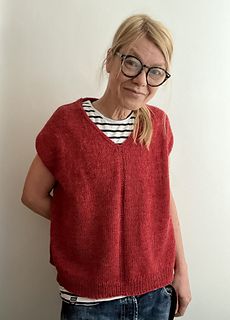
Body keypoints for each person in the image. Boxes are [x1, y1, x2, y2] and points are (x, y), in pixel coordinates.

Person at [21, 14, 191, 320]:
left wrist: (183, 272)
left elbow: (164, 201)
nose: (141, 80)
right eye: (131, 63)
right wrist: (83, 224)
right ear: (110, 60)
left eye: (155, 72)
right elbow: (32, 195)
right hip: (89, 302)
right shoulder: (66, 126)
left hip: (156, 295)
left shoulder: (159, 125)